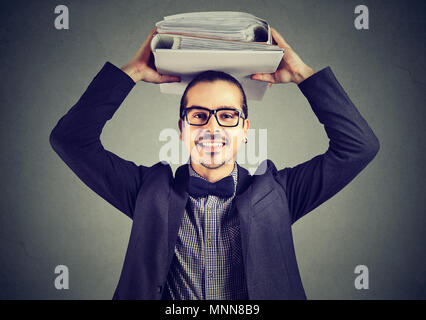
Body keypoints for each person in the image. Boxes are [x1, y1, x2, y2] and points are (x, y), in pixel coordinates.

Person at [49, 27, 380, 300]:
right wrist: (131, 73)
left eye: (227, 115)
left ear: (245, 129)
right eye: (198, 115)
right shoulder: (147, 190)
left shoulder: (279, 192)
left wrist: (304, 76)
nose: (212, 127)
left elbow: (358, 147)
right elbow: (70, 140)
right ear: (182, 129)